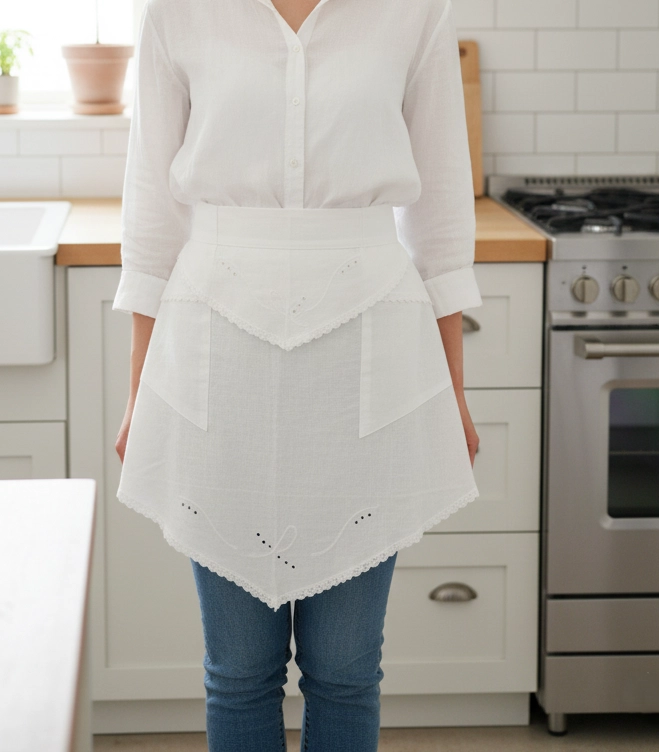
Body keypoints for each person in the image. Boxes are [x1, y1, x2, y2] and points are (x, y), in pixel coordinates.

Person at [113, 0, 482, 750]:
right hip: (221, 357)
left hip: (365, 357)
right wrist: (136, 394)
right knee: (238, 672)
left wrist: (455, 393)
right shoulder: (176, 12)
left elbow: (442, 222)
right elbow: (152, 221)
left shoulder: (416, 12)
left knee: (346, 671)